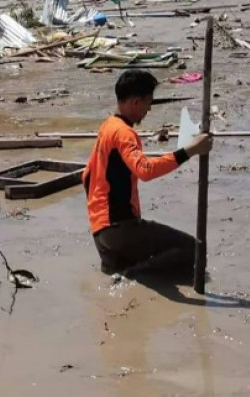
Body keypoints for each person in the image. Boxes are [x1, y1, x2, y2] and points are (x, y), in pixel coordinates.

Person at [83, 70, 213, 279]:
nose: (148, 110)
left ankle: (127, 275)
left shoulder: (107, 127)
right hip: (120, 228)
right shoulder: (124, 133)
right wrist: (191, 150)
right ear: (136, 102)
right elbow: (145, 170)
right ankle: (132, 276)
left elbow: (87, 176)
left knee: (141, 263)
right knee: (196, 251)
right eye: (148, 103)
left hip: (100, 233)